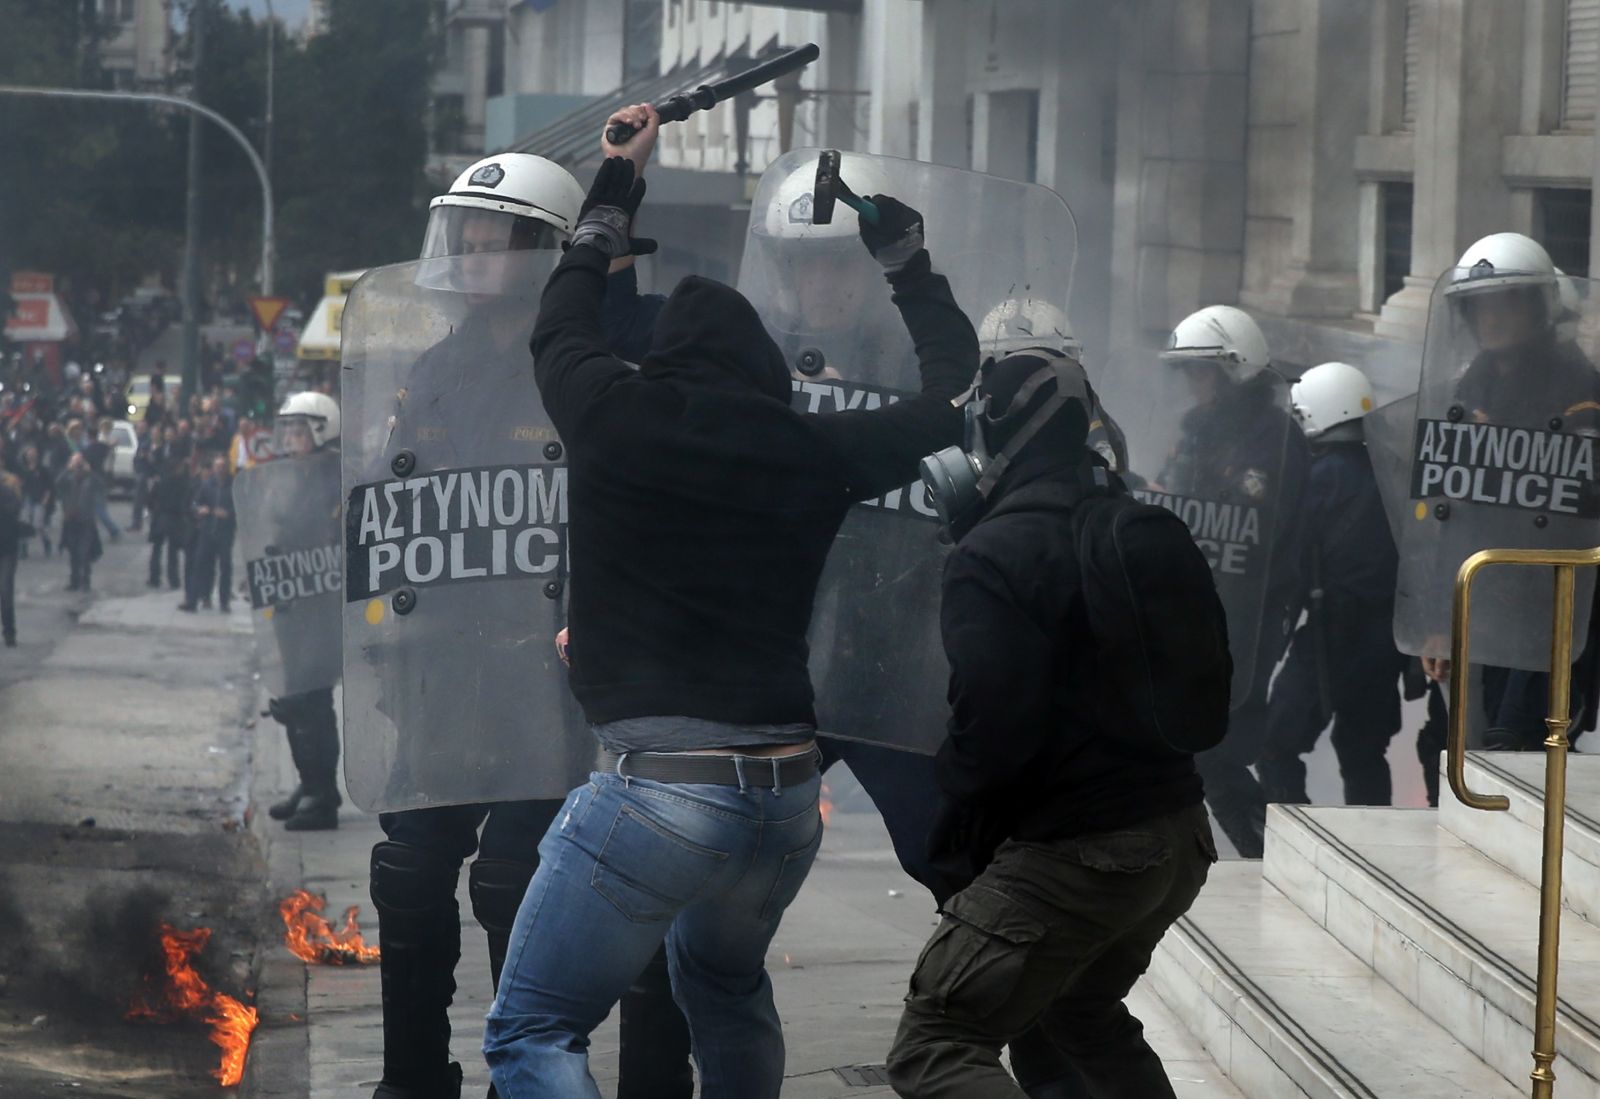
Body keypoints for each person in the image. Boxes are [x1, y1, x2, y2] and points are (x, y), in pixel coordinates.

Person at [481, 146, 977, 1094]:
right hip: (785, 800)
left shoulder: (611, 413)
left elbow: (561, 324)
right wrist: (908, 263)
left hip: (656, 790)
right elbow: (952, 398)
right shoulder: (816, 448)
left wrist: (610, 200)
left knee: (532, 1030)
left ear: (663, 356)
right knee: (727, 990)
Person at [364, 130, 684, 1099]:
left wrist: (616, 190)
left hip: (551, 680)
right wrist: (383, 648)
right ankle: (413, 1078)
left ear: (544, 251)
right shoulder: (432, 370)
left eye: (491, 234)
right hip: (444, 675)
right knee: (407, 870)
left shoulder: (594, 362)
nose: (466, 250)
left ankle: (526, 1080)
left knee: (517, 879)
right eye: (458, 230)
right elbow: (393, 515)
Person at [887, 350, 1219, 1099]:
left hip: (1084, 853)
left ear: (992, 441)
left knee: (938, 1042)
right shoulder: (1137, 524)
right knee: (1083, 1011)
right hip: (1178, 837)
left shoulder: (993, 552)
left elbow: (991, 735)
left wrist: (953, 838)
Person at [1415, 234, 1600, 749]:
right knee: (1451, 747)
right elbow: (1445, 520)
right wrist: (1438, 619)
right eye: (1479, 308)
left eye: (1505, 305)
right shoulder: (1466, 391)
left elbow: (1578, 514)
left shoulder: (1581, 391)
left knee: (1517, 747)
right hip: (1482, 600)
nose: (1489, 320)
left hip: (1554, 610)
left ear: (1540, 308)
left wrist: (1504, 448)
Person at [1159, 305, 1309, 857]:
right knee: (1194, 740)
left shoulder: (1276, 440)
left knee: (1212, 743)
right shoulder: (1195, 434)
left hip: (1251, 610)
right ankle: (1267, 846)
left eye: (1202, 371)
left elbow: (1264, 524)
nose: (1192, 385)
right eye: (1188, 372)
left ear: (1236, 370)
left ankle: (1278, 848)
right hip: (1195, 605)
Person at [1257, 362, 1408, 805]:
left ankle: (1292, 843)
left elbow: (1291, 557)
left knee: (1276, 747)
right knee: (1362, 752)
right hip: (1388, 640)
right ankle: (1376, 850)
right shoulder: (1393, 473)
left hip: (1331, 631)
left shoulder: (1319, 478)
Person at [260, 393, 343, 831]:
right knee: (294, 698)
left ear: (321, 429)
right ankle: (309, 782)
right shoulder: (290, 474)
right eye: (286, 429)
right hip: (291, 599)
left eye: (298, 429)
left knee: (310, 698)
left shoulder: (332, 475)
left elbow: (324, 533)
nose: (289, 437)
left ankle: (322, 794)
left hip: (321, 604)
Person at [179, 454, 235, 613]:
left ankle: (224, 602)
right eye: (217, 466)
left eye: (222, 466)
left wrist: (229, 514)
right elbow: (195, 503)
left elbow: (241, 509)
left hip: (225, 533)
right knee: (200, 565)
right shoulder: (207, 485)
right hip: (207, 531)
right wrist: (199, 509)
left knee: (225, 567)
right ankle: (193, 600)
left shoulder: (233, 485)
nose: (219, 469)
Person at [148, 430, 190, 590]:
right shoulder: (181, 480)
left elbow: (151, 497)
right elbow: (184, 499)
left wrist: (153, 509)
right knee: (172, 552)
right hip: (174, 517)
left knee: (157, 549)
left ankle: (154, 577)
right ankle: (173, 580)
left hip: (160, 515)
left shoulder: (162, 478)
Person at [55, 452, 100, 592]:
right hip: (70, 519)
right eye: (75, 462)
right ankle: (74, 581)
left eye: (79, 462)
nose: (78, 466)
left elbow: (101, 486)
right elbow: (57, 484)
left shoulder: (90, 478)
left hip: (86, 519)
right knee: (73, 551)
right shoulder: (67, 477)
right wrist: (67, 469)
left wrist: (90, 472)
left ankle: (86, 581)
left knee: (84, 552)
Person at [0, 466, 19, 646]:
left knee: (5, 591)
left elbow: (14, 511)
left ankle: (9, 631)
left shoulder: (6, 491)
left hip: (6, 547)